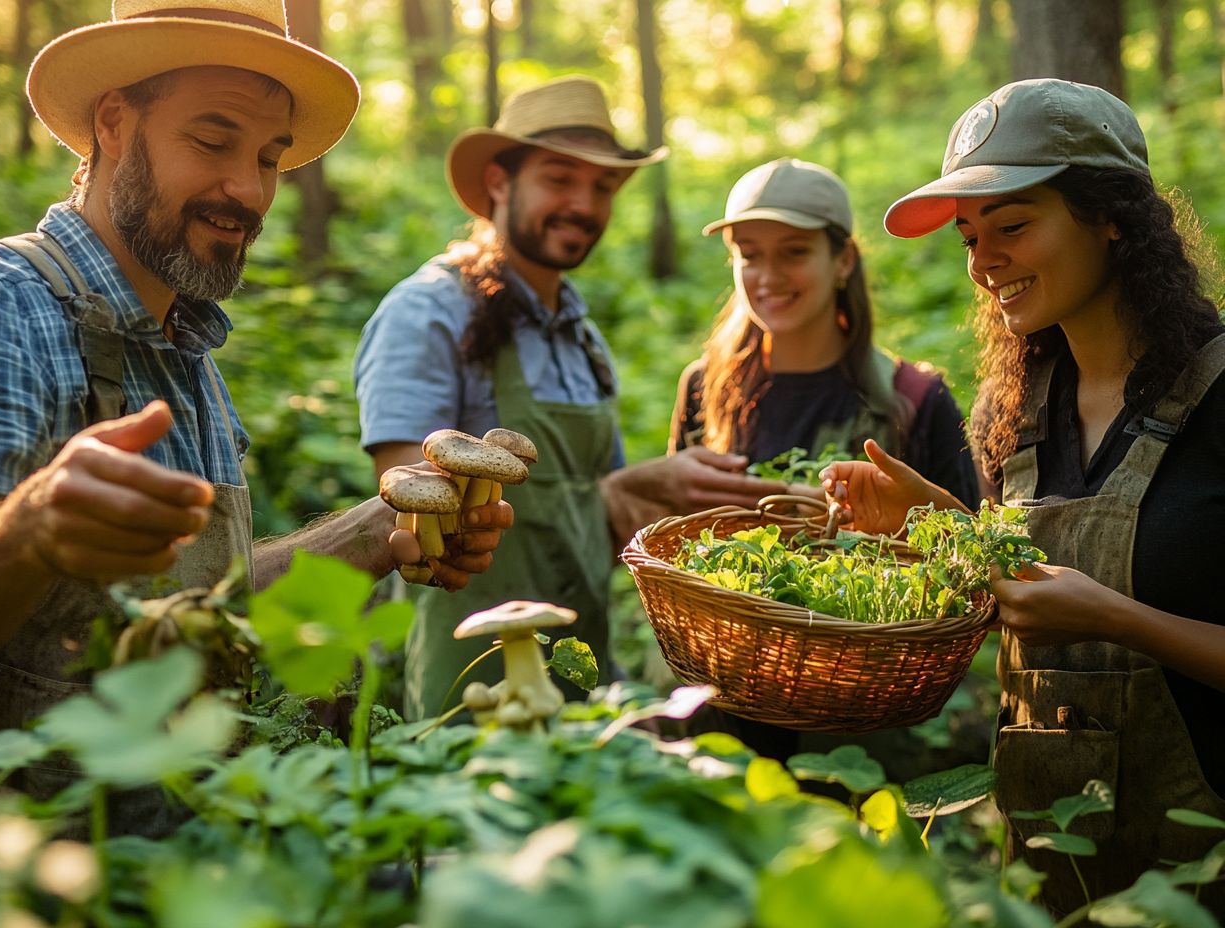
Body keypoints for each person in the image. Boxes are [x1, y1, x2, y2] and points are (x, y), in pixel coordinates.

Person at [0, 0, 511, 831]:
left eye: (270, 157)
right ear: (116, 123)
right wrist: (30, 528)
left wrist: (371, 532)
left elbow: (210, 611)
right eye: (212, 140)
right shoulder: (8, 308)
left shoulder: (186, 350)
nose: (248, 190)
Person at [821, 78, 1225, 916]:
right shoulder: (1014, 410)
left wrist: (1117, 618)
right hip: (1051, 875)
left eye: (1012, 226)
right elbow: (1042, 590)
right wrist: (939, 524)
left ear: (1114, 215)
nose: (981, 261)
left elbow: (1103, 600)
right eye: (969, 237)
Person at [355, 76, 792, 721]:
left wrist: (653, 495)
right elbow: (412, 509)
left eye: (603, 187)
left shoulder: (582, 338)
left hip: (580, 664)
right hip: (471, 677)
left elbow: (600, 508)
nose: (584, 204)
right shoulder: (429, 312)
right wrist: (613, 496)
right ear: (500, 184)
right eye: (560, 179)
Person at [671, 158, 980, 771]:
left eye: (793, 252)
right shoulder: (706, 389)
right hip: (725, 708)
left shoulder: (912, 401)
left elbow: (969, 570)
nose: (766, 275)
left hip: (863, 724)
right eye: (748, 253)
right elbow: (677, 550)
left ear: (842, 260)